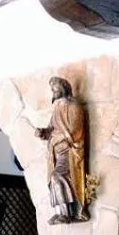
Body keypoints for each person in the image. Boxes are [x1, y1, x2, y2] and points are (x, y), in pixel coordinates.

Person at [36, 76, 89, 223]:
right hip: (56, 154)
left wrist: (58, 138)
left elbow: (75, 131)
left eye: (55, 88)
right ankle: (62, 212)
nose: (53, 91)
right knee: (53, 179)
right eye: (52, 89)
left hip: (70, 153)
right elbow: (51, 129)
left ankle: (68, 213)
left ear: (63, 89)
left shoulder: (74, 107)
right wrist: (43, 133)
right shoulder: (57, 109)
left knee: (57, 177)